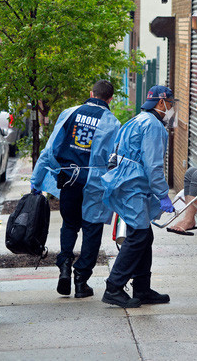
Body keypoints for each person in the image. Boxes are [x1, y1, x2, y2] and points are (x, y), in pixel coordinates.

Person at [31, 80, 120, 297]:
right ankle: (81, 280)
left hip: (69, 180)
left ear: (91, 93)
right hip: (95, 185)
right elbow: (114, 160)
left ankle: (64, 266)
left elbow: (50, 148)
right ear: (110, 99)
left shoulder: (69, 113)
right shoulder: (113, 123)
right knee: (92, 230)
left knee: (69, 225)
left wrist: (36, 181)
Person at [100, 85, 176, 308]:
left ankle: (142, 289)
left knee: (144, 235)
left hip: (128, 182)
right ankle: (113, 288)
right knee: (138, 236)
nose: (171, 107)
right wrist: (163, 194)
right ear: (161, 102)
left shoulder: (138, 119)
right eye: (170, 103)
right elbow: (154, 166)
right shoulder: (153, 126)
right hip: (133, 186)